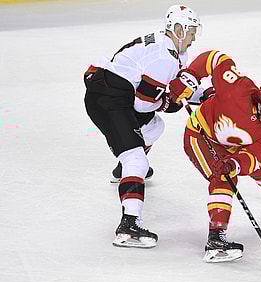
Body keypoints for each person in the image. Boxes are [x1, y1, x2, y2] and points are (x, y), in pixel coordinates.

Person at [83, 5, 203, 248]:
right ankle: (128, 225)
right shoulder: (164, 58)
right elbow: (143, 104)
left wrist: (205, 94)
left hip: (115, 91)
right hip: (109, 98)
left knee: (154, 128)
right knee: (137, 159)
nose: (194, 37)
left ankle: (123, 171)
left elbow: (173, 88)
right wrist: (170, 102)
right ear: (178, 30)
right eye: (191, 31)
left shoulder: (171, 48)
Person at [179, 50, 261, 262]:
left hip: (231, 148)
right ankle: (216, 240)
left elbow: (254, 157)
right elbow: (215, 58)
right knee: (223, 179)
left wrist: (234, 163)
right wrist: (190, 76)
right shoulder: (237, 89)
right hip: (200, 136)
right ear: (260, 104)